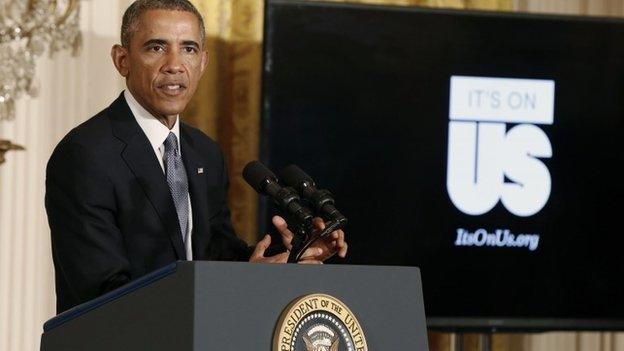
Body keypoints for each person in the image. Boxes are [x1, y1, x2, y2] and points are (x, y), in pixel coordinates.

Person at [45, 0, 347, 314]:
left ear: (202, 63)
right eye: (156, 48)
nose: (174, 65)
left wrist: (287, 259)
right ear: (122, 60)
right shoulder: (84, 155)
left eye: (188, 49)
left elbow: (216, 258)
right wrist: (237, 287)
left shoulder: (204, 151)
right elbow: (104, 292)